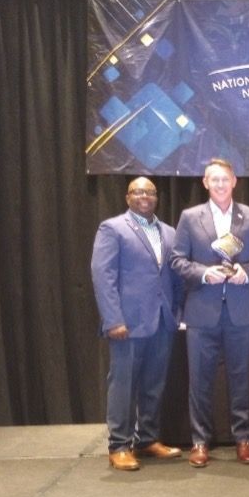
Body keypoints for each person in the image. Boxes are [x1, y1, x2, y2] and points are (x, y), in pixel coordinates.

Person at [170, 158, 249, 467]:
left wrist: (246, 271)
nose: (219, 185)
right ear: (205, 182)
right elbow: (177, 261)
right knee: (199, 381)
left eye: (224, 180)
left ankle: (243, 438)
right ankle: (200, 441)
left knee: (241, 378)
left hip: (241, 312)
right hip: (202, 312)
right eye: (214, 180)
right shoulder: (190, 217)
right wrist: (204, 273)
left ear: (234, 181)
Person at [91, 177, 185, 471]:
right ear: (127, 196)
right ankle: (118, 445)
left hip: (161, 322)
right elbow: (102, 275)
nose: (144, 196)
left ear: (157, 198)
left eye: (150, 192)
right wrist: (113, 319)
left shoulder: (169, 232)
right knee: (123, 384)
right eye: (138, 191)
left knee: (153, 385)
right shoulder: (113, 228)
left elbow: (176, 278)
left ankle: (146, 439)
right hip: (126, 325)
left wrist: (176, 313)